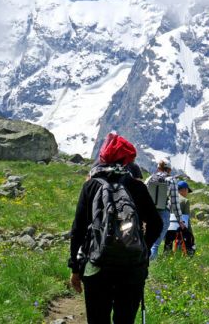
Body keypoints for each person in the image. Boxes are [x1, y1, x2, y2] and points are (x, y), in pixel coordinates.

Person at [68, 133, 163, 324]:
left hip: (97, 266)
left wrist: (75, 269)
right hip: (132, 268)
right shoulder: (136, 187)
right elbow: (156, 224)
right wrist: (142, 248)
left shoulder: (91, 186)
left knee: (98, 320)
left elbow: (77, 230)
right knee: (124, 320)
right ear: (127, 161)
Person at [144, 160, 184, 260]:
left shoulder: (149, 178)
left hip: (149, 213)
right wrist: (180, 220)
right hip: (163, 212)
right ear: (169, 169)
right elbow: (174, 202)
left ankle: (142, 265)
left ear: (158, 168)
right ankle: (150, 267)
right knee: (155, 244)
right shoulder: (171, 180)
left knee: (147, 242)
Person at [163, 180, 195, 255]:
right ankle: (183, 256)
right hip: (180, 227)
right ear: (184, 189)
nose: (187, 193)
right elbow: (186, 219)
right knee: (185, 245)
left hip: (168, 226)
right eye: (187, 191)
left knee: (168, 246)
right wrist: (190, 232)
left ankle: (166, 259)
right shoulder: (185, 201)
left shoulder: (169, 199)